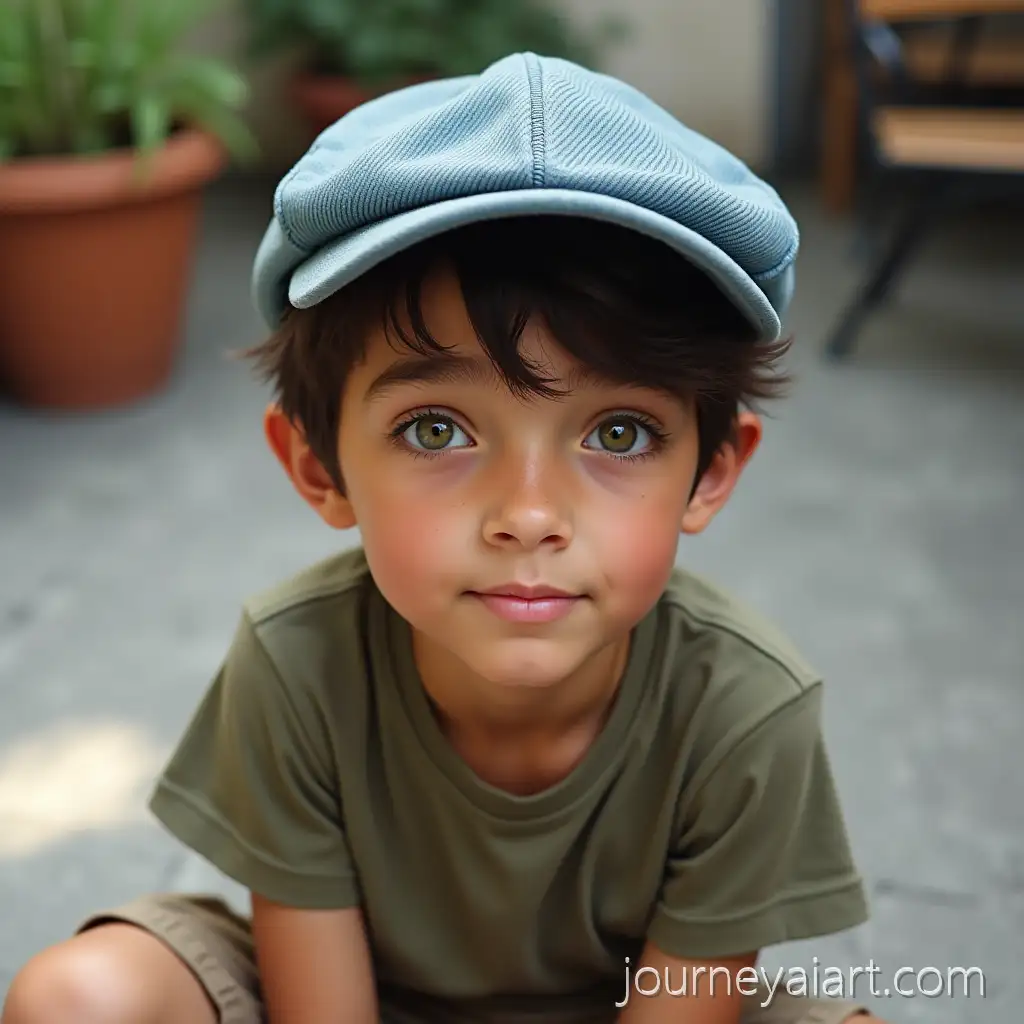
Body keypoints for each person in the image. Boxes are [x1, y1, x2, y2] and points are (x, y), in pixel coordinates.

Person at [3, 53, 884, 1024]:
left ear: (711, 471)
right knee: (78, 998)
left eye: (617, 432)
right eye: (437, 429)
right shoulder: (296, 662)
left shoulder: (747, 710)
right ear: (318, 467)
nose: (529, 513)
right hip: (359, 995)